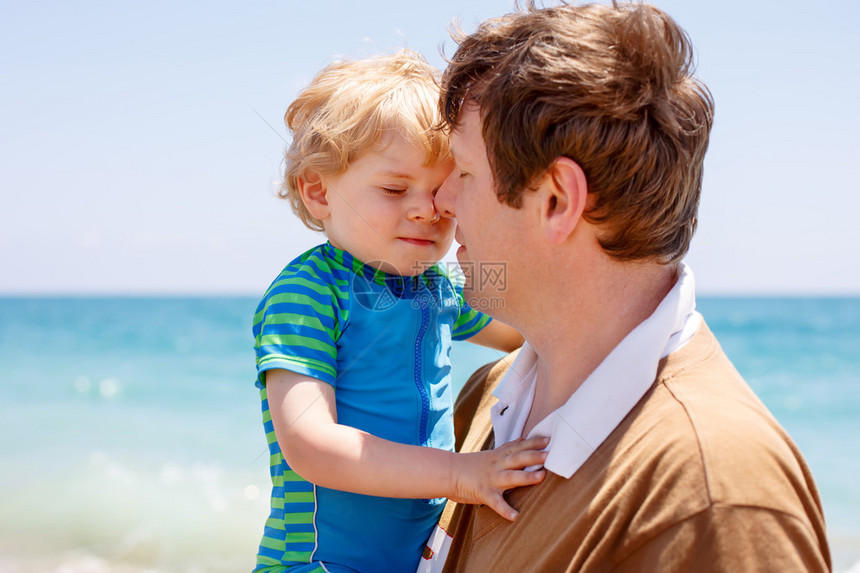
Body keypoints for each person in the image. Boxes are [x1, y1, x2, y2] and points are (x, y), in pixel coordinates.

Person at [419, 3, 832, 572]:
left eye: (463, 174)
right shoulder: (487, 400)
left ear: (557, 201)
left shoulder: (713, 496)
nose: (440, 204)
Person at [251, 50, 549, 573]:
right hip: (319, 563)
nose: (426, 209)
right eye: (394, 189)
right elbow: (311, 444)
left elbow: (527, 335)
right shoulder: (310, 292)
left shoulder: (439, 287)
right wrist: (461, 474)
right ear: (319, 191)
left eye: (442, 191)